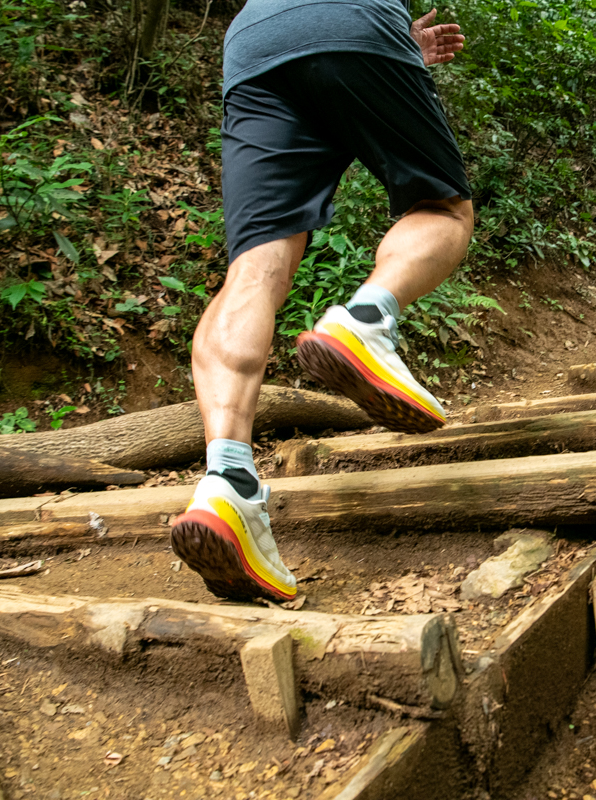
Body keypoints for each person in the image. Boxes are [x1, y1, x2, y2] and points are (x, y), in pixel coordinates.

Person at [169, 0, 474, 602]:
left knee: (255, 267)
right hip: (354, 19)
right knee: (443, 209)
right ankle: (365, 318)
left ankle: (227, 479)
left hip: (254, 43)